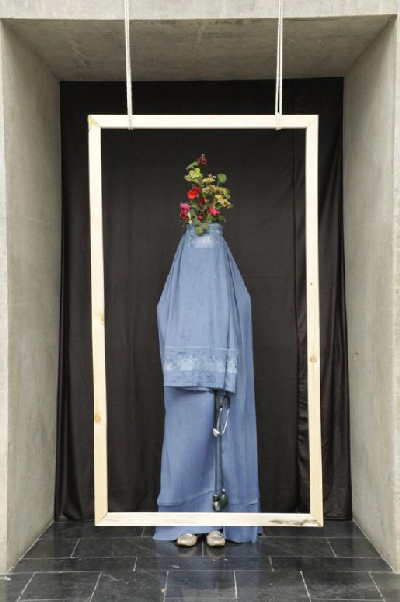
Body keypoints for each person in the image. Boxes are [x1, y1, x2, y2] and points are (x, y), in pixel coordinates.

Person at [153, 223, 262, 547]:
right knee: (185, 447)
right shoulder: (176, 289)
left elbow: (241, 313)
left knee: (223, 447)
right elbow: (165, 313)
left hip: (224, 378)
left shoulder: (232, 287)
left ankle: (219, 523)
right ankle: (186, 521)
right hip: (184, 382)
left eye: (212, 246)